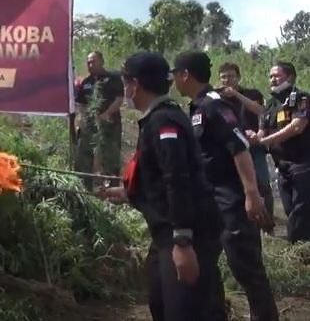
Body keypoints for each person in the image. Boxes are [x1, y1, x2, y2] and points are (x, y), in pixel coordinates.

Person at [100, 52, 225, 321]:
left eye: (125, 82)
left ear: (134, 84)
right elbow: (160, 177)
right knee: (159, 301)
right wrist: (128, 192)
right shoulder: (157, 118)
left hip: (188, 233)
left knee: (184, 312)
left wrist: (183, 242)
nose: (125, 89)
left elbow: (177, 178)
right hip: (167, 233)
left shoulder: (164, 121)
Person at [172, 51, 278, 321]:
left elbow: (239, 148)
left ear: (185, 75)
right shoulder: (196, 107)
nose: (173, 80)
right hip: (210, 201)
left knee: (246, 267)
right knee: (206, 265)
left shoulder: (214, 105)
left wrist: (252, 195)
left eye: (175, 74)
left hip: (232, 199)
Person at [251, 62, 310, 243]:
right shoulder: (271, 104)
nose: (272, 79)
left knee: (301, 211)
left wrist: (265, 141)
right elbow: (262, 131)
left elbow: (297, 127)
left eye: (276, 75)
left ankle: (296, 252)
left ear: (290, 77)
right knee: (290, 210)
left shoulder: (301, 98)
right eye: (270, 76)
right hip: (282, 167)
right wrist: (253, 137)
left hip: (302, 164)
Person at [218, 62, 274, 231]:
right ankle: (246, 224)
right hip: (229, 150)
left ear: (239, 77)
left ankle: (268, 226)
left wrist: (236, 94)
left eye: (231, 76)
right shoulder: (215, 98)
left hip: (254, 146)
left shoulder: (252, 93)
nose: (228, 80)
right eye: (224, 77)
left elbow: (261, 111)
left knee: (263, 185)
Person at [74, 51, 124, 189]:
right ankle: (86, 187)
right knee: (84, 153)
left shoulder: (113, 78)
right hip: (90, 124)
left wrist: (106, 114)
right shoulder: (86, 82)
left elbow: (119, 99)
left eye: (93, 61)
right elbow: (81, 104)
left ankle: (112, 189)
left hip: (110, 123)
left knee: (111, 155)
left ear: (102, 61)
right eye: (88, 62)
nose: (90, 65)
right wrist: (83, 119)